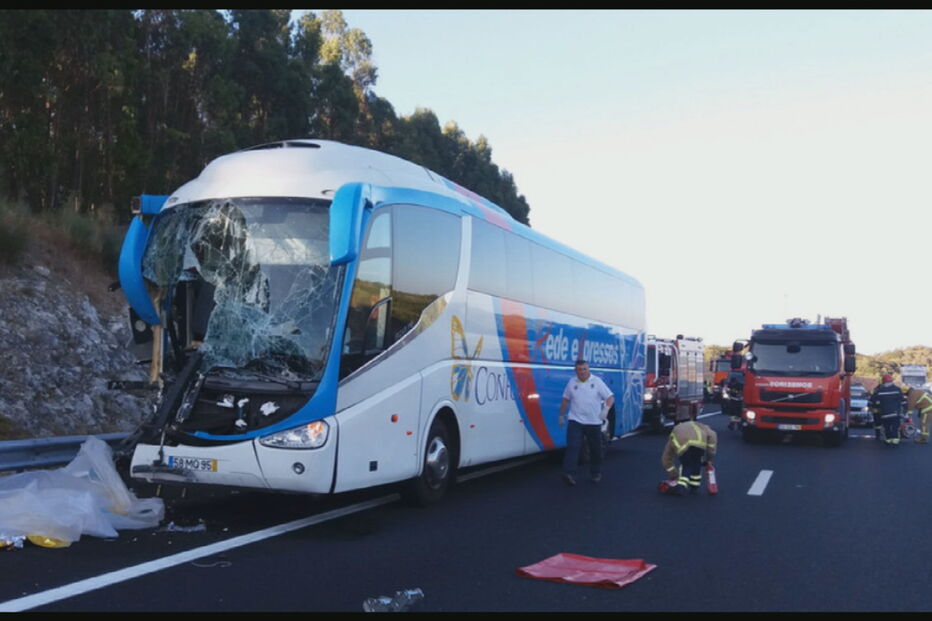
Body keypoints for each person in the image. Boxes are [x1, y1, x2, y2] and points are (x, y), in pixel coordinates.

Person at [558, 359, 614, 486]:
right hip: (575, 420)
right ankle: (569, 473)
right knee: (573, 446)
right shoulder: (572, 382)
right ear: (575, 371)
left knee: (595, 449)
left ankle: (596, 472)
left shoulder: (597, 382)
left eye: (584, 369)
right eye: (579, 369)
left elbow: (610, 397)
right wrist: (561, 415)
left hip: (593, 421)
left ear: (588, 369)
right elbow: (566, 399)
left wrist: (605, 410)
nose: (582, 372)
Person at [660, 410, 718, 495]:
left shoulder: (674, 432)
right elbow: (712, 438)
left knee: (687, 464)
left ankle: (682, 486)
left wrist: (674, 475)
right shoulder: (702, 426)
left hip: (682, 447)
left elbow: (666, 458)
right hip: (699, 445)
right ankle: (694, 486)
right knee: (697, 462)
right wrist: (709, 458)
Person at [869, 374, 907, 446]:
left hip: (884, 413)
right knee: (895, 427)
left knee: (887, 427)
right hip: (895, 413)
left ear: (883, 382)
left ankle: (888, 440)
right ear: (892, 381)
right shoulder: (897, 389)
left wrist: (872, 406)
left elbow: (872, 401)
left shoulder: (879, 391)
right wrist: (905, 410)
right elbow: (903, 401)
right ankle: (895, 440)